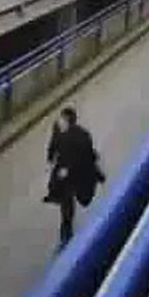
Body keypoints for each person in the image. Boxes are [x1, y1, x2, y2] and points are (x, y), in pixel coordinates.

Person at [43, 107, 105, 251]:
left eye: (62, 120)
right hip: (65, 175)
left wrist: (69, 169)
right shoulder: (57, 131)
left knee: (83, 197)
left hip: (78, 171)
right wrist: (51, 158)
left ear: (69, 122)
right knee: (66, 202)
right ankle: (66, 233)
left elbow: (87, 157)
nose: (59, 122)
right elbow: (53, 146)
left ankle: (83, 195)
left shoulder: (82, 136)